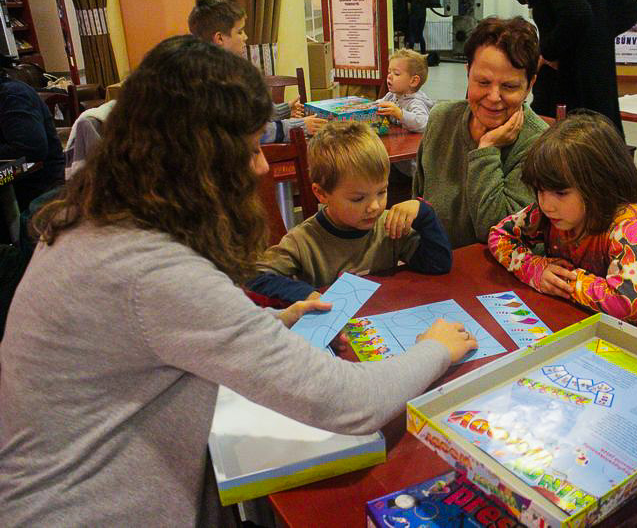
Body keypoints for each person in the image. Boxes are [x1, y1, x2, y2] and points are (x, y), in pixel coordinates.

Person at [0, 36, 477, 526]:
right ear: (196, 160)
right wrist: (436, 348)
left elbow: (164, 335)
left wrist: (273, 319)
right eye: (249, 148)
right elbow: (350, 404)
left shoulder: (96, 220)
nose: (262, 165)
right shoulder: (152, 271)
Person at [248, 121, 451, 303]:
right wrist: (305, 294)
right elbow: (254, 277)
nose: (374, 206)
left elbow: (438, 264)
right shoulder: (303, 241)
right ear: (321, 194)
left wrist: (424, 215)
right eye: (358, 199)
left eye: (382, 192)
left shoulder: (388, 226)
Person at [488, 112, 637, 324]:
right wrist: (534, 268)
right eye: (540, 190)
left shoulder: (628, 226)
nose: (546, 205)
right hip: (564, 321)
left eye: (561, 193)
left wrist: (564, 281)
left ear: (599, 184)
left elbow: (630, 304)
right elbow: (499, 235)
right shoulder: (548, 215)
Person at [413, 16, 549, 249]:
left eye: (509, 86)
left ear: (530, 85)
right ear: (468, 73)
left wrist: (487, 149)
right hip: (436, 262)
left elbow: (500, 236)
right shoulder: (441, 118)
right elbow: (418, 204)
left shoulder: (540, 145)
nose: (494, 97)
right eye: (483, 82)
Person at [188, 0, 326, 140]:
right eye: (240, 32)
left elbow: (247, 113)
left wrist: (282, 110)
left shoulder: (218, 70)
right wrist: (298, 126)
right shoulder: (214, 80)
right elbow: (249, 131)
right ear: (219, 38)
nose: (245, 37)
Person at [513, 0, 637, 135]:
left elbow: (577, 13)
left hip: (567, 80)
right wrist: (597, 41)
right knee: (601, 138)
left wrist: (547, 52)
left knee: (562, 140)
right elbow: (632, 9)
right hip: (595, 74)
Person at [0, 59, 65, 214]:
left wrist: (2, 177)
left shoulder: (12, 95)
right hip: (14, 178)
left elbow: (31, 153)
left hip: (40, 185)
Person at [377, 48, 434, 205]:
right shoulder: (392, 96)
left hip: (411, 167)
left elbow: (424, 122)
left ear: (413, 81)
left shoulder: (416, 102)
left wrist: (400, 114)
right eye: (389, 72)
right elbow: (380, 103)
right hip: (396, 158)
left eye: (396, 73)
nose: (389, 76)